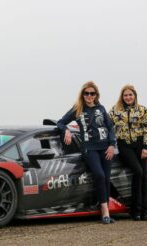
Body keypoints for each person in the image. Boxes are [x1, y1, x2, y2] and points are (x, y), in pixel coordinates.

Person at [57, 81, 116, 224]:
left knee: (106, 178)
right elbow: (60, 122)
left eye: (92, 93)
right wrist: (66, 130)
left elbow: (110, 127)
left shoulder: (101, 108)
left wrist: (112, 145)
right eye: (86, 93)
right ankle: (105, 211)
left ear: (96, 95)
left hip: (105, 148)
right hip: (89, 149)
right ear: (82, 95)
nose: (89, 96)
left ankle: (105, 210)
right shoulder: (78, 109)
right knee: (99, 175)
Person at [109, 84, 147, 221]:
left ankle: (145, 211)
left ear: (135, 96)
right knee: (138, 172)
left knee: (143, 174)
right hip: (125, 146)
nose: (128, 97)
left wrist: (146, 147)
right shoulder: (115, 111)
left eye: (130, 95)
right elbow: (106, 124)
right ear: (122, 97)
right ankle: (135, 209)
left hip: (140, 145)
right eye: (125, 95)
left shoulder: (142, 110)